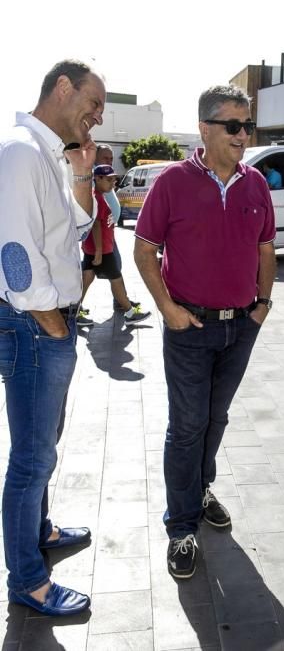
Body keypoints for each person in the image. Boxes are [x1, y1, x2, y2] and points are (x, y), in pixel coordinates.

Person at [134, 85, 276, 579]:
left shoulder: (255, 183)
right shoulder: (172, 181)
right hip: (188, 326)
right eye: (233, 126)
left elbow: (265, 248)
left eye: (247, 126)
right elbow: (144, 250)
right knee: (188, 425)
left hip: (240, 327)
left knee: (216, 419)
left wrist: (262, 306)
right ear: (205, 127)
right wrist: (168, 308)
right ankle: (181, 527)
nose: (243, 135)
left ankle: (200, 487)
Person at [0, 59, 107, 615]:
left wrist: (83, 174)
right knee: (31, 460)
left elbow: (78, 228)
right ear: (62, 88)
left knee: (43, 448)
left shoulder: (48, 155)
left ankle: (38, 532)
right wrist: (54, 325)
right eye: (93, 101)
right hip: (35, 326)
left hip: (47, 325)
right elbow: (15, 258)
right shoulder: (21, 151)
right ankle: (28, 582)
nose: (98, 114)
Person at [78, 164, 151, 327]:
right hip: (102, 250)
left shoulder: (98, 195)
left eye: (114, 180)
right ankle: (130, 313)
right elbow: (96, 224)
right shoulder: (95, 197)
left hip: (99, 248)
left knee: (87, 279)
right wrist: (98, 252)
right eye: (109, 180)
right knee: (116, 280)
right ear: (97, 179)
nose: (113, 183)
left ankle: (74, 312)